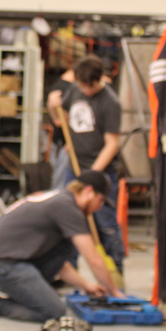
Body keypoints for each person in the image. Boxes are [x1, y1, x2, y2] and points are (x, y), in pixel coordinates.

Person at [0, 171, 125, 323]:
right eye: (100, 201)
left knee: (64, 247)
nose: (99, 208)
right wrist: (114, 292)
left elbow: (59, 263)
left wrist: (86, 285)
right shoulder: (67, 207)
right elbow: (95, 260)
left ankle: (30, 295)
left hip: (6, 260)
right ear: (88, 192)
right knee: (53, 311)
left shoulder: (61, 199)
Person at [60, 55, 125, 273]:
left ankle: (114, 270)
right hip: (74, 168)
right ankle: (68, 269)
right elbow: (62, 116)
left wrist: (93, 175)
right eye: (83, 86)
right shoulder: (76, 90)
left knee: (104, 223)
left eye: (91, 86)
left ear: (100, 79)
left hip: (101, 173)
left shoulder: (111, 102)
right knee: (70, 219)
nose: (86, 91)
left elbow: (112, 144)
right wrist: (53, 107)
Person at [45, 66, 75, 190]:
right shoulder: (67, 88)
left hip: (59, 144)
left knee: (59, 183)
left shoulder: (58, 86)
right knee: (60, 187)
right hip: (65, 145)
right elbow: (58, 119)